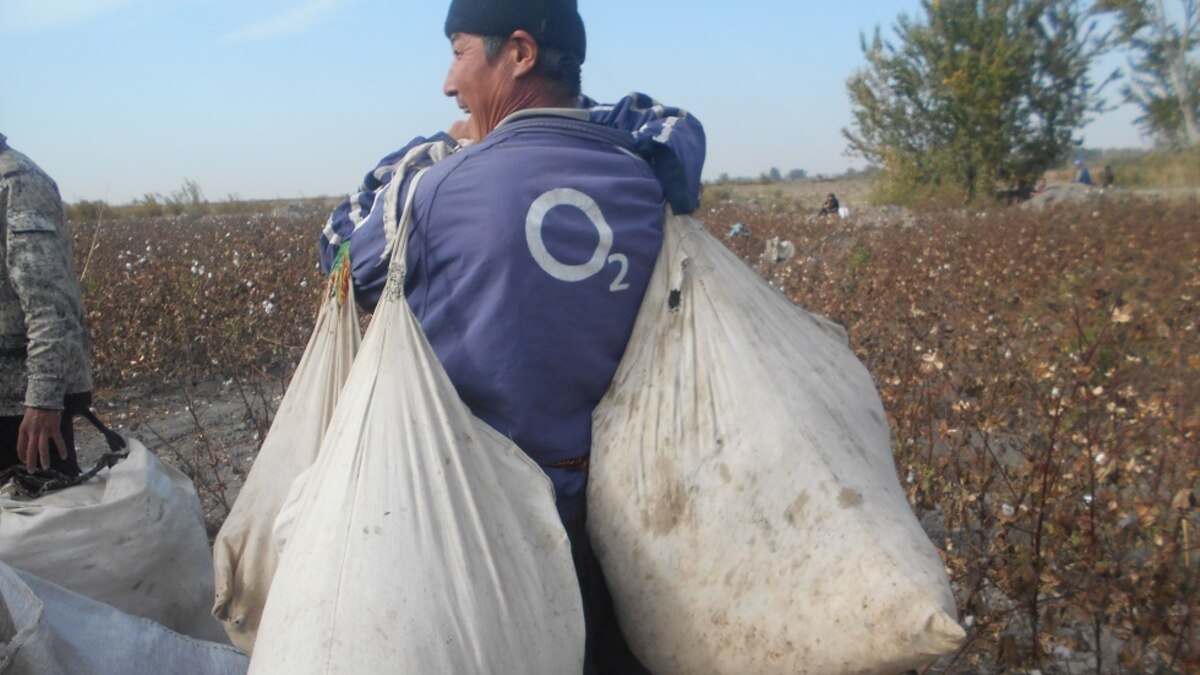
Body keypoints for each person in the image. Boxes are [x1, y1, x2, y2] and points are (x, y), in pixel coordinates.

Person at [318, 1, 705, 672]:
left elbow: (339, 254)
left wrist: (433, 151)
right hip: (631, 534)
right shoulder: (647, 178)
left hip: (478, 535)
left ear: (519, 53)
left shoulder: (435, 193)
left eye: (461, 52)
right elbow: (672, 134)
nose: (447, 81)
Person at [0, 133, 94, 478]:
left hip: (20, 412)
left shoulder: (18, 182)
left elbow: (50, 303)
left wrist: (43, 399)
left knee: (44, 525)